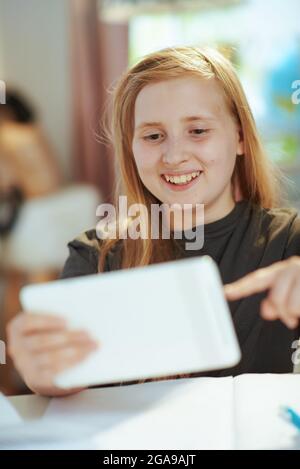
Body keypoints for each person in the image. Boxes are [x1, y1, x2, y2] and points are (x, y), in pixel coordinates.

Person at [6, 46, 300, 397]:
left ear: (239, 137)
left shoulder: (290, 241)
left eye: (198, 131)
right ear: (131, 147)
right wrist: (42, 373)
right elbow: (61, 386)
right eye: (153, 136)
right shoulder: (96, 257)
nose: (174, 156)